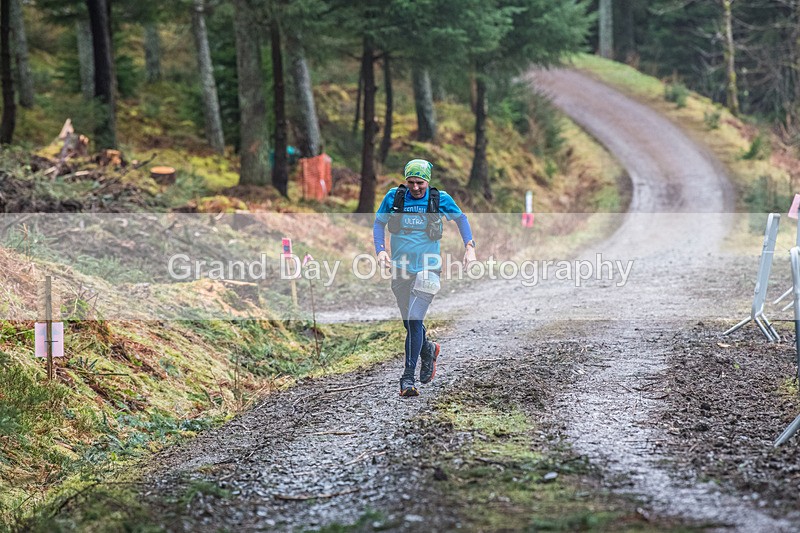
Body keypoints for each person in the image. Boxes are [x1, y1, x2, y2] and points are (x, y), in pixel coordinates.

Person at [373, 159, 476, 397]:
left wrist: (469, 247)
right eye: (411, 182)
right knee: (409, 322)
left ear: (428, 181)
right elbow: (379, 223)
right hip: (400, 269)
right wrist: (380, 250)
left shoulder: (439, 200)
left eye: (420, 183)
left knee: (415, 319)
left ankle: (407, 378)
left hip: (429, 269)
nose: (415, 188)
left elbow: (461, 219)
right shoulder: (394, 198)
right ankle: (427, 349)